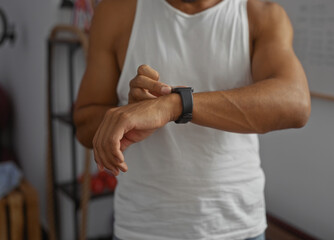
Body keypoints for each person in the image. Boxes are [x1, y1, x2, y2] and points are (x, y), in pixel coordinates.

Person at [73, 0, 311, 239]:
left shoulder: (261, 14)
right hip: (142, 227)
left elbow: (296, 102)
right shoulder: (117, 11)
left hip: (237, 227)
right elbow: (84, 125)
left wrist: (174, 105)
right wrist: (130, 113)